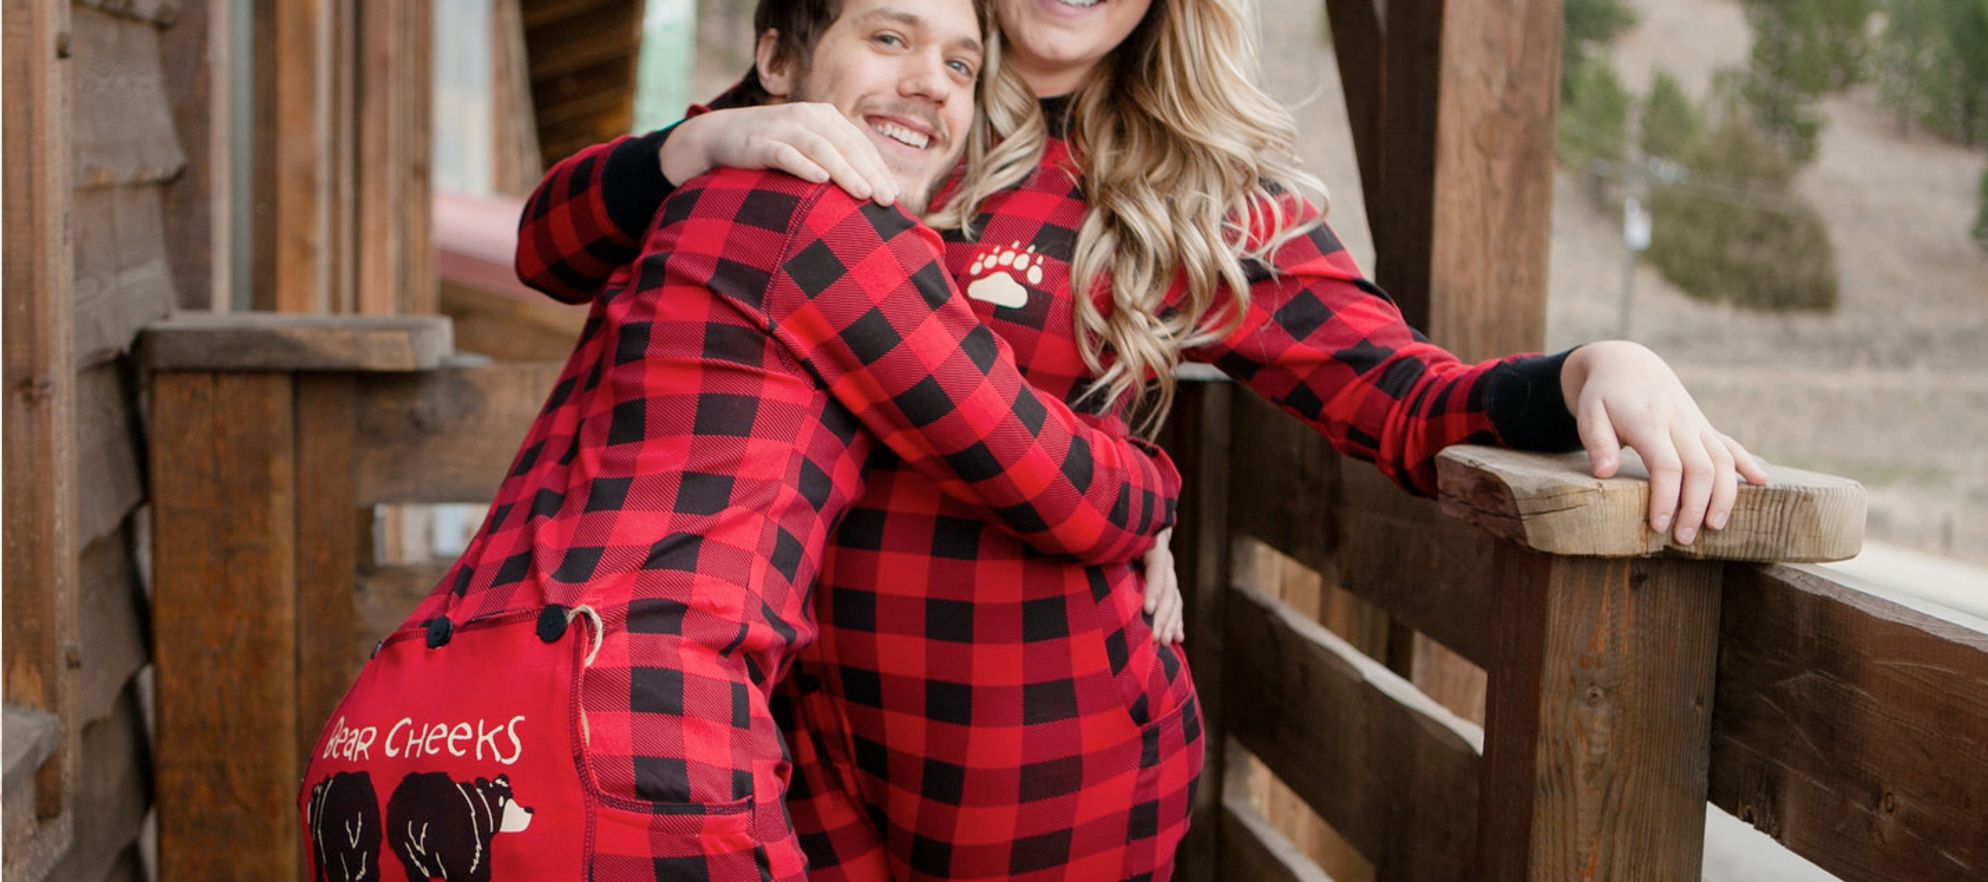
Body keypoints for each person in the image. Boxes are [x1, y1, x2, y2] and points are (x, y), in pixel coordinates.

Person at [516, 1, 1769, 878]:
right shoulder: (884, 88)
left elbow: (1399, 396)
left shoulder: (1201, 194)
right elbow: (552, 249)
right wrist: (685, 144)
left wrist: (1589, 370)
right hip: (801, 744)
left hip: (1039, 767)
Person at [297, 1, 1191, 879]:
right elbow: (1055, 484)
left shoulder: (691, 198)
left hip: (413, 734)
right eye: (889, 37)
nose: (930, 82)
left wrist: (686, 148)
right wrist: (1156, 493)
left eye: (961, 65)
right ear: (775, 64)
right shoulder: (827, 224)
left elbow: (545, 247)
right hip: (636, 742)